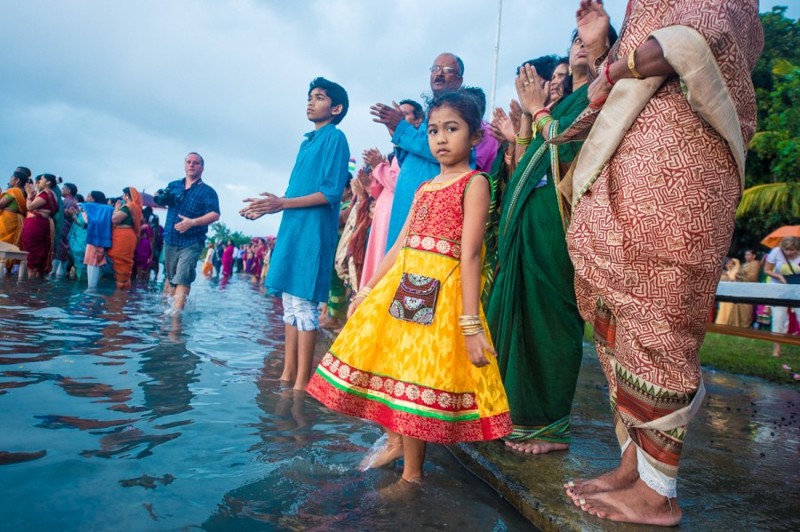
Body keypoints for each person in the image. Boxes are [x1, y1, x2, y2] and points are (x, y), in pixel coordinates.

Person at [562, 0, 762, 526]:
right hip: (639, 147)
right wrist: (608, 47)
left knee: (658, 312)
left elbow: (696, 37)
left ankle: (659, 494)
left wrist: (615, 65)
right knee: (620, 306)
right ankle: (637, 468)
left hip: (683, 147)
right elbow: (629, 69)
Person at [307, 91, 512, 490]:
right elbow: (400, 245)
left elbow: (470, 254)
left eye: (451, 129)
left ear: (474, 137)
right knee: (398, 374)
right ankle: (401, 451)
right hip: (407, 289)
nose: (440, 138)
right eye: (434, 130)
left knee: (419, 381)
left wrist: (470, 325)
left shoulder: (475, 183)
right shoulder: (425, 188)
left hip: (445, 295)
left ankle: (411, 477)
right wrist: (367, 291)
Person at [487, 31, 603, 458]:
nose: (579, 44)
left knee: (552, 316)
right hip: (529, 217)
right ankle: (511, 413)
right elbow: (528, 164)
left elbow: (571, 148)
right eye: (574, 39)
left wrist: (535, 112)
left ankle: (548, 424)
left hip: (564, 221)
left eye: (591, 38)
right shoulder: (558, 106)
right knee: (515, 312)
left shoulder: (598, 97)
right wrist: (524, 126)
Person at [240, 77, 350, 392]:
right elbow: (294, 191)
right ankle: (288, 373)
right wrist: (266, 206)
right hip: (292, 225)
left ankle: (303, 382)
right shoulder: (307, 142)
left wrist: (281, 203)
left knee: (304, 305)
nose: (310, 102)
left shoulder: (335, 139)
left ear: (336, 108)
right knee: (290, 304)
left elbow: (330, 193)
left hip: (313, 230)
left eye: (318, 97)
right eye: (309, 97)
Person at [371, 53, 465, 251]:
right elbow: (411, 161)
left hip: (433, 204)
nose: (438, 74)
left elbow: (439, 150)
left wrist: (401, 129)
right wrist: (397, 134)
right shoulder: (429, 113)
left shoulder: (461, 110)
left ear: (459, 80)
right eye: (435, 69)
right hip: (406, 201)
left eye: (447, 70)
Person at [161, 152, 220, 311]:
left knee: (183, 278)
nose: (191, 165)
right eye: (188, 162)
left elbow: (215, 214)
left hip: (191, 242)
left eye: (196, 163)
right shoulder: (174, 185)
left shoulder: (208, 191)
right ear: (184, 165)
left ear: (202, 168)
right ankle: (167, 313)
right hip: (170, 239)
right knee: (171, 279)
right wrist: (160, 197)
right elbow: (163, 201)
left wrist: (192, 222)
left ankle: (176, 320)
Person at [764, 237, 800, 357]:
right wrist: (778, 276)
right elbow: (767, 270)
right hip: (779, 288)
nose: (789, 252)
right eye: (786, 249)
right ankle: (777, 349)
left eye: (792, 250)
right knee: (779, 318)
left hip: (797, 288)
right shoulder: (776, 252)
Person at [21, 173, 62, 278]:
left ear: (48, 182)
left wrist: (29, 196)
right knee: (36, 251)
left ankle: (31, 282)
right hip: (38, 224)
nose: (39, 181)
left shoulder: (46, 194)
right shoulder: (49, 194)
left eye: (42, 179)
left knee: (33, 252)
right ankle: (36, 283)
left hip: (37, 225)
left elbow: (30, 207)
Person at [108, 187, 143, 290]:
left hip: (123, 237)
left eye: (124, 194)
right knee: (125, 262)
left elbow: (115, 219)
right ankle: (123, 287)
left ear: (127, 195)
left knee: (119, 260)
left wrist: (116, 208)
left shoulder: (128, 206)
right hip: (129, 237)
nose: (122, 197)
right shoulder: (137, 208)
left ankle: (118, 289)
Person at [0, 168, 30, 273]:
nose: (10, 179)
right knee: (12, 247)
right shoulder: (24, 192)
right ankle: (10, 269)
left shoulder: (13, 191)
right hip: (19, 220)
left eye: (11, 177)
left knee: (4, 245)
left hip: (9, 221)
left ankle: (3, 269)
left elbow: (1, 204)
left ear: (17, 180)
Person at [81, 190, 113, 288]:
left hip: (92, 241)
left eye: (89, 196)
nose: (87, 198)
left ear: (94, 198)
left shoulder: (90, 208)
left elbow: (87, 221)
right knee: (97, 266)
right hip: (104, 240)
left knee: (91, 265)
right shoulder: (109, 209)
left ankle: (91, 292)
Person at [727, 249, 761, 327]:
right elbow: (737, 274)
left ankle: (745, 326)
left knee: (746, 309)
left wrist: (739, 275)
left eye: (748, 255)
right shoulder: (744, 264)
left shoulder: (755, 264)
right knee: (737, 307)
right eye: (745, 255)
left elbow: (752, 277)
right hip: (740, 290)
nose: (746, 256)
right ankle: (735, 325)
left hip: (749, 291)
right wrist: (738, 274)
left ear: (754, 256)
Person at [52, 182, 78, 278]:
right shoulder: (73, 202)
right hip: (69, 231)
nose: (62, 190)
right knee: (64, 254)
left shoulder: (67, 202)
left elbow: (63, 215)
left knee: (59, 252)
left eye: (63, 189)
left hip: (63, 230)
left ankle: (54, 274)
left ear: (69, 191)